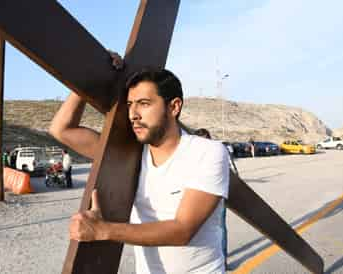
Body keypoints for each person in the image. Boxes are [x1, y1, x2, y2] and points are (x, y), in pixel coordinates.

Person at [49, 59, 230, 273]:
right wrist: (95, 74)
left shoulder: (207, 152)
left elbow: (182, 230)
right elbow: (61, 129)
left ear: (174, 107)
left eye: (144, 103)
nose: (133, 114)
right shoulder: (130, 156)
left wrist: (103, 230)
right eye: (130, 104)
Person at [194, 128, 229, 270]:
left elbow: (232, 173)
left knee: (219, 228)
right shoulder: (195, 155)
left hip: (217, 197)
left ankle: (223, 259)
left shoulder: (218, 152)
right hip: (198, 196)